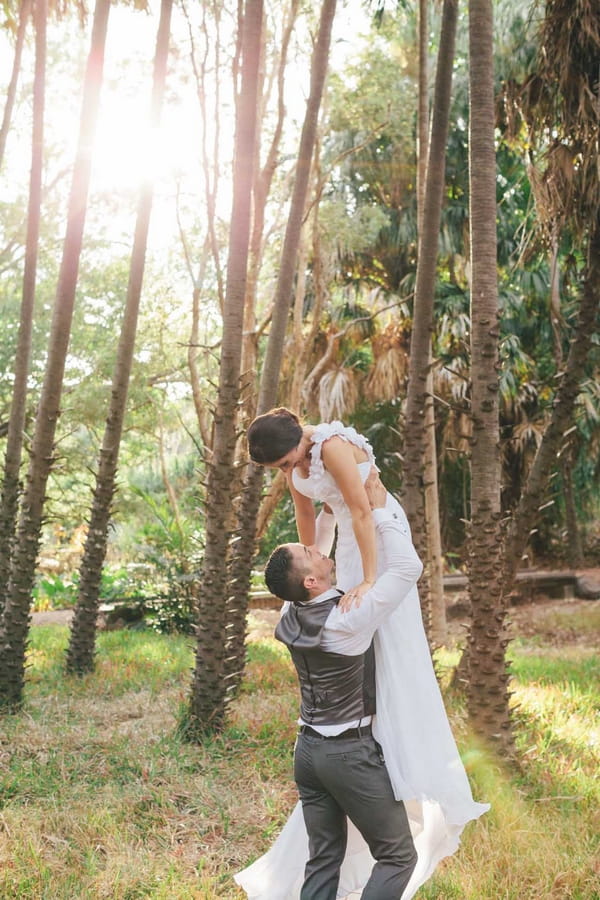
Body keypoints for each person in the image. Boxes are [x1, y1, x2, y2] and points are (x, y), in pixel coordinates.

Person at [236, 410, 489, 900]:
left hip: (370, 530)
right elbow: (310, 524)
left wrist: (365, 576)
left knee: (383, 636)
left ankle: (393, 744)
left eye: (287, 460)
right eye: (280, 466)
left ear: (297, 439)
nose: (288, 469)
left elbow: (358, 511)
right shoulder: (296, 471)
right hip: (352, 547)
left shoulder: (330, 447)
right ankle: (375, 754)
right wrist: (326, 571)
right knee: (363, 628)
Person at [261, 468, 422, 899]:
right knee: (398, 855)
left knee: (324, 856)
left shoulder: (290, 610)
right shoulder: (348, 617)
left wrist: (333, 506)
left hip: (308, 753)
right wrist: (382, 509)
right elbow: (409, 567)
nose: (315, 549)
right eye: (308, 553)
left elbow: (321, 546)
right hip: (348, 753)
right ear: (312, 581)